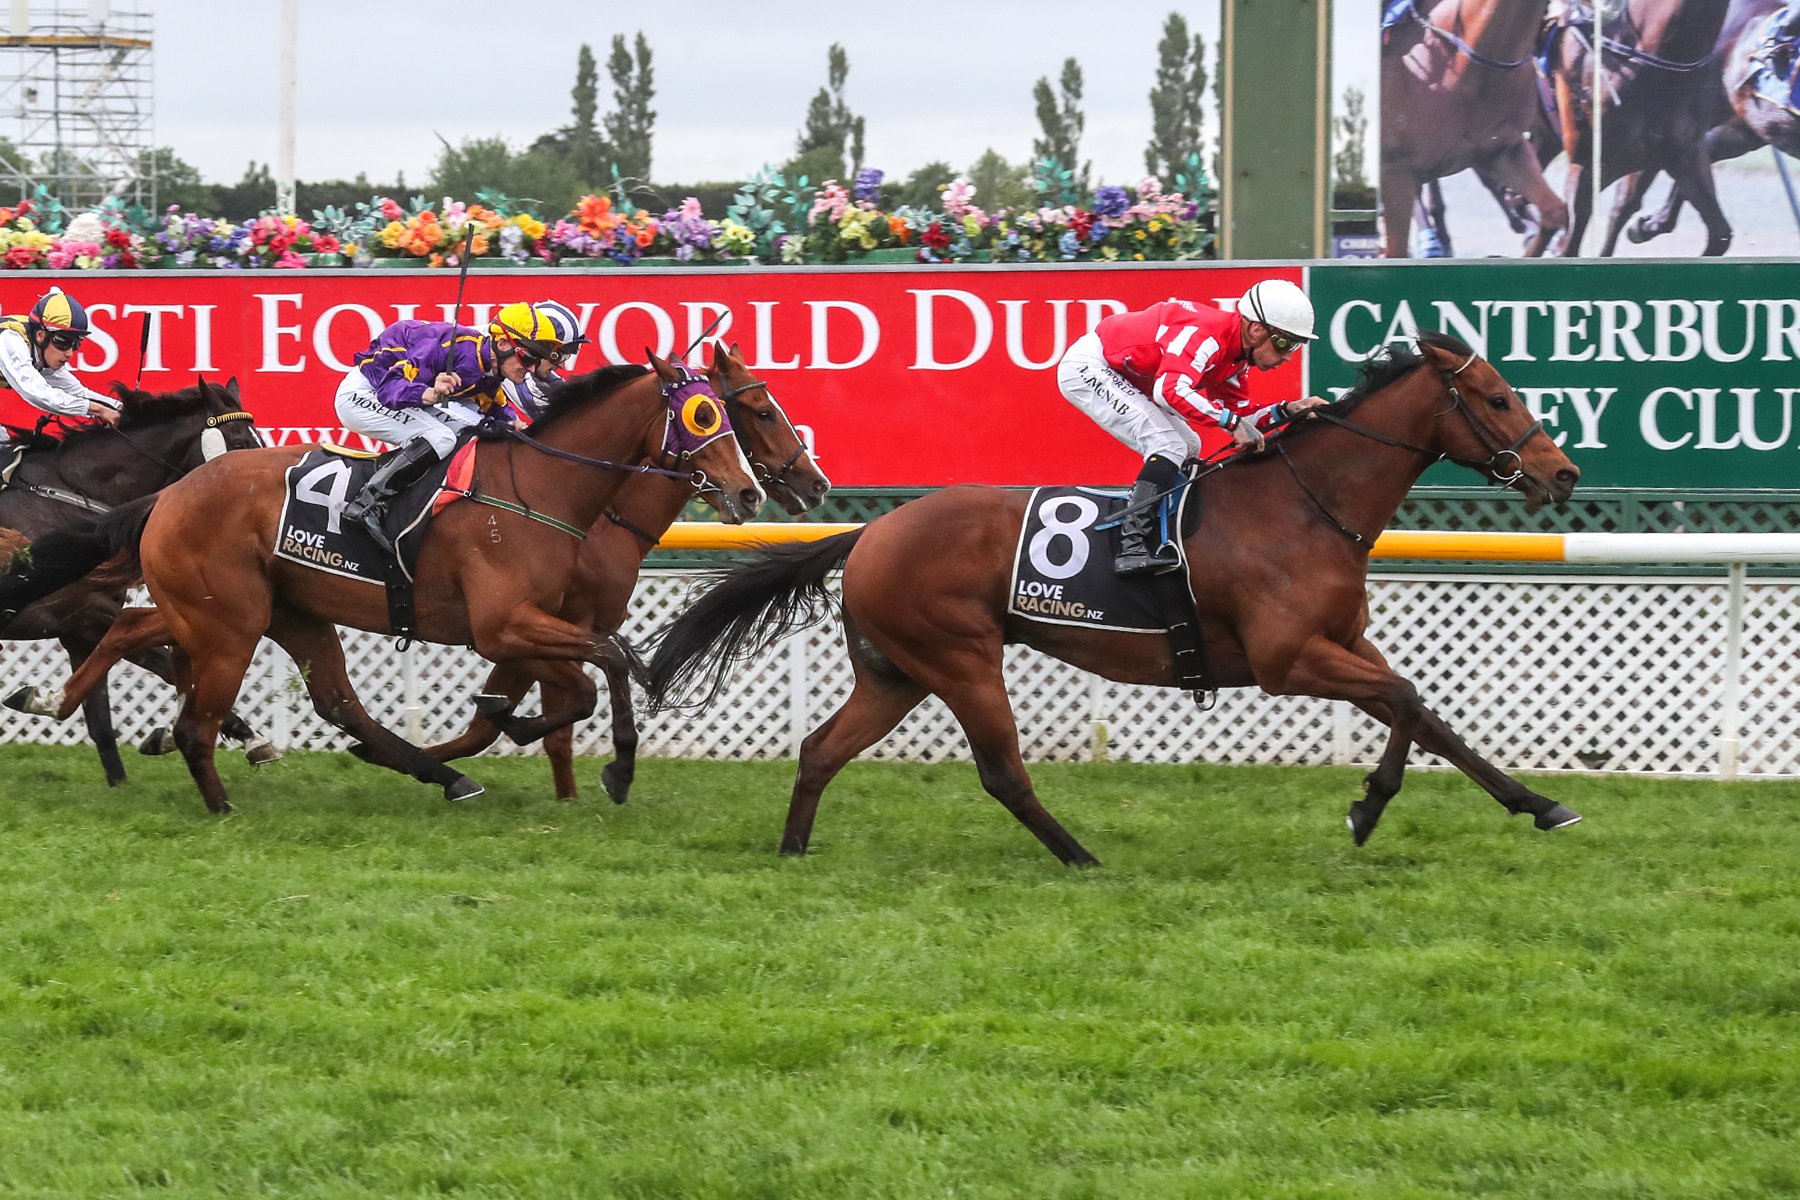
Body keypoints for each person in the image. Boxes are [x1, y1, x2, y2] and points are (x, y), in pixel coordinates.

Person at [1056, 279, 1328, 577]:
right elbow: (1169, 390)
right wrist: (1231, 423)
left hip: (1127, 373)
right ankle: (1131, 546)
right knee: (1168, 445)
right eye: (1285, 343)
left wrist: (1289, 410)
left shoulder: (1236, 359)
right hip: (1091, 366)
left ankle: (1168, 534)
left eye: (1295, 346)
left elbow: (1242, 417)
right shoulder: (1207, 335)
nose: (1288, 356)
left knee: (1190, 445)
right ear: (1256, 330)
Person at [335, 301, 567, 552]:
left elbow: (495, 410)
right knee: (441, 438)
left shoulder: (491, 370)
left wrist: (515, 425)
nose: (531, 369)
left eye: (537, 361)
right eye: (527, 358)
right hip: (364, 394)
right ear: (502, 344)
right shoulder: (451, 348)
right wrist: (428, 394)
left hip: (395, 395)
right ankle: (366, 505)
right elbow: (389, 390)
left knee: (474, 430)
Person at [0, 287, 121, 442]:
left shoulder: (44, 352)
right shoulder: (10, 340)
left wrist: (119, 407)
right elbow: (36, 393)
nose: (69, 353)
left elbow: (77, 393)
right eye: (63, 342)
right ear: (41, 335)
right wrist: (99, 410)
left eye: (75, 345)